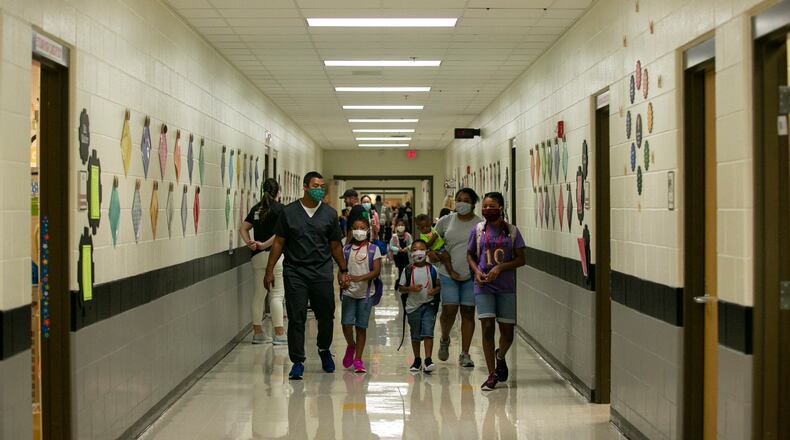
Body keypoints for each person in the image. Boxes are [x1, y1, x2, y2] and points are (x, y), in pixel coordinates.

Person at [265, 171, 351, 380]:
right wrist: (269, 270)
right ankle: (297, 361)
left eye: (322, 186)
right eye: (315, 185)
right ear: (304, 187)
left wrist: (343, 269)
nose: (319, 189)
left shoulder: (329, 214)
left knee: (326, 315)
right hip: (295, 271)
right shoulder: (289, 212)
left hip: (321, 271)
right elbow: (279, 242)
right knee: (297, 317)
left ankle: (323, 349)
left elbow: (335, 245)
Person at [466, 192, 526, 391]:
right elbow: (470, 255)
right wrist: (476, 272)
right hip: (483, 286)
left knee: (507, 333)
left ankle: (500, 357)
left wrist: (500, 268)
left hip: (505, 286)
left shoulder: (511, 231)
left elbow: (521, 259)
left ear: (500, 207)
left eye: (492, 206)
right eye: (484, 206)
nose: (487, 210)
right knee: (488, 328)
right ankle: (491, 374)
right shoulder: (478, 230)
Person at [435, 188, 483, 367]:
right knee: (449, 311)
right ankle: (445, 338)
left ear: (473, 203)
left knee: (468, 313)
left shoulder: (480, 224)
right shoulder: (446, 221)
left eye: (466, 200)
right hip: (448, 273)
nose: (461, 203)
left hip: (471, 275)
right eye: (459, 199)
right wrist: (436, 253)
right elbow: (432, 241)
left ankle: (465, 353)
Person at [239, 178, 287, 345]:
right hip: (275, 257)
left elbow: (243, 228)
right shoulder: (280, 209)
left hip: (257, 257)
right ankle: (279, 334)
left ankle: (258, 333)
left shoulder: (256, 208)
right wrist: (265, 244)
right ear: (278, 192)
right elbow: (280, 234)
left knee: (259, 295)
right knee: (276, 294)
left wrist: (251, 244)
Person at [340, 218, 382, 374]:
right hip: (349, 293)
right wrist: (342, 280)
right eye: (356, 228)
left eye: (362, 228)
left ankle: (358, 359)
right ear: (351, 230)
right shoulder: (346, 249)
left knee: (361, 327)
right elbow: (341, 269)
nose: (359, 231)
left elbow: (376, 271)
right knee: (346, 324)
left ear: (368, 230)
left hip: (366, 294)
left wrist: (360, 278)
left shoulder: (373, 249)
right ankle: (351, 345)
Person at [399, 240, 441, 373]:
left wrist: (435, 291)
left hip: (429, 304)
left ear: (426, 252)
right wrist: (411, 288)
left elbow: (439, 285)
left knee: (428, 333)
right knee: (415, 334)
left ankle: (428, 359)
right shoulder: (407, 270)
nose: (418, 252)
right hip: (413, 307)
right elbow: (401, 288)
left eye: (421, 249)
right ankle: (417, 359)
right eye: (415, 250)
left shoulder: (433, 269)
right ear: (411, 253)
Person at [389, 219, 413, 289]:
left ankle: (404, 281)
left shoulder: (408, 235)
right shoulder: (394, 236)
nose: (400, 226)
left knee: (406, 268)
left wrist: (407, 248)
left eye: (402, 225)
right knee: (400, 269)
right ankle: (399, 281)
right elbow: (391, 246)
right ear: (396, 227)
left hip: (406, 255)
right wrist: (397, 249)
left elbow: (412, 244)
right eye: (399, 225)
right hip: (398, 256)